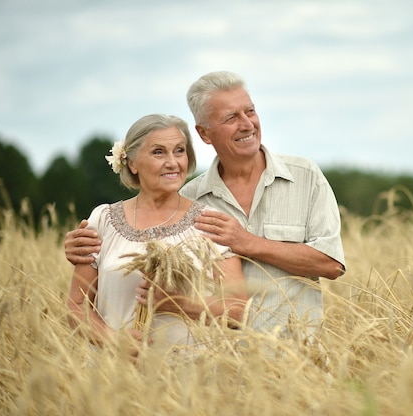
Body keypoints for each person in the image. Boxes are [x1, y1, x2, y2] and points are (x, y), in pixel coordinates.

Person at [65, 71, 345, 338]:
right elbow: (82, 300)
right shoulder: (189, 199)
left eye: (250, 111)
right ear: (204, 134)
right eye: (231, 117)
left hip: (299, 357)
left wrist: (246, 241)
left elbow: (331, 264)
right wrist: (85, 249)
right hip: (220, 366)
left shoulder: (305, 176)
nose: (247, 124)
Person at [66, 114, 248, 358]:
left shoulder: (210, 222)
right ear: (132, 163)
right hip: (113, 381)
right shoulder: (102, 220)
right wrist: (112, 339)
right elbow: (76, 306)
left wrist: (180, 304)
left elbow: (238, 311)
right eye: (159, 152)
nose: (173, 162)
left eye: (179, 151)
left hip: (189, 381)